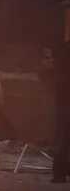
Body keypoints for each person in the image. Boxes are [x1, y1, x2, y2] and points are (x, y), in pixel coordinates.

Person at [41, 42, 70, 183]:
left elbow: (46, 72)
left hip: (63, 99)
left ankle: (59, 174)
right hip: (64, 98)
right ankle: (60, 173)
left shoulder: (60, 50)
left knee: (62, 136)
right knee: (63, 136)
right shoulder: (61, 50)